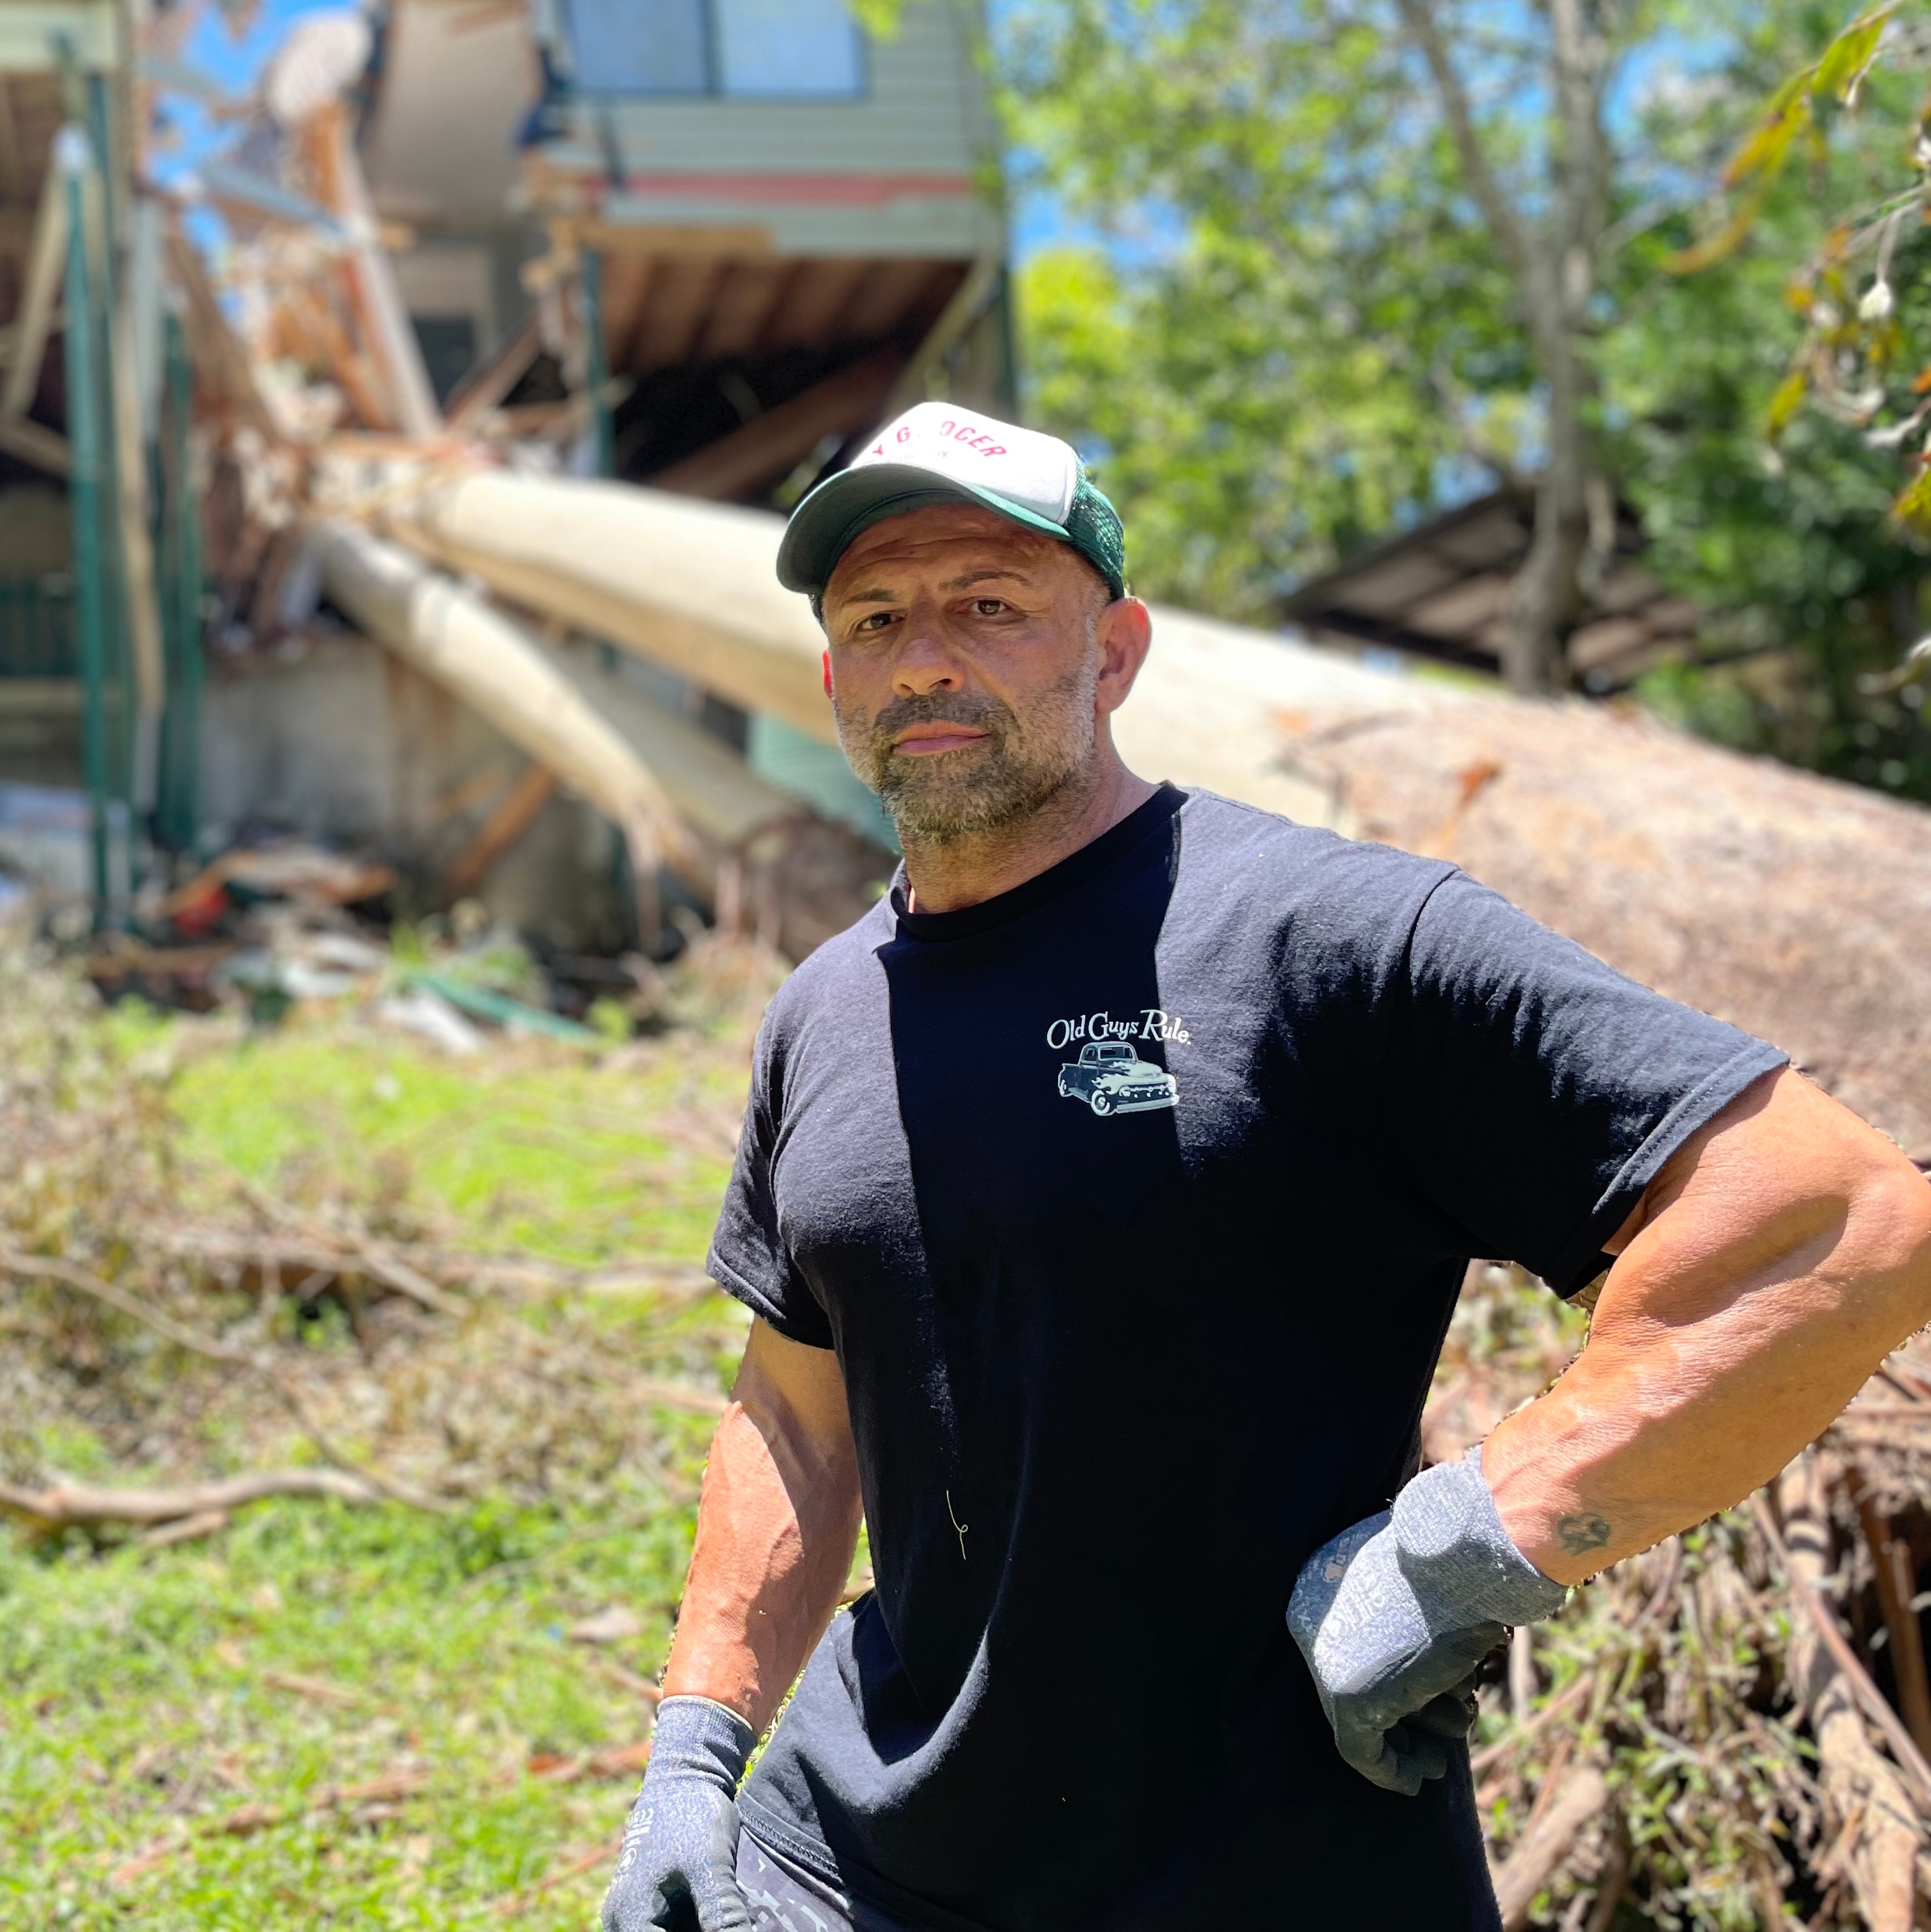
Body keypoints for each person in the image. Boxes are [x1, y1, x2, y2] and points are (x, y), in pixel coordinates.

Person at [600, 404, 1931, 1932]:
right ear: (832, 677)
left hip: (1275, 1875)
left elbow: (1839, 1217)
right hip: (850, 1870)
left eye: (990, 605)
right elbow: (793, 1410)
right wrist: (694, 1753)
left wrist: (1474, 1542)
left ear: (1114, 651)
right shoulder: (823, 1009)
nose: (927, 658)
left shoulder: (1332, 938)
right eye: (879, 619)